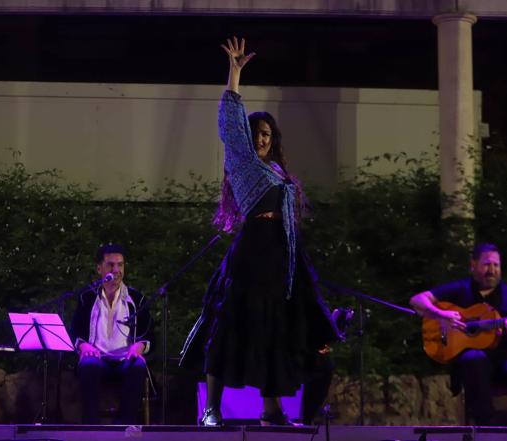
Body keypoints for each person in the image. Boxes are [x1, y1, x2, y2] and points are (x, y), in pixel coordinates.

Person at [179, 37, 340, 427]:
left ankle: (272, 411)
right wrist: (235, 73)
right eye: (257, 133)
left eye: (268, 133)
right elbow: (231, 127)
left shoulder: (280, 174)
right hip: (252, 255)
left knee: (276, 329)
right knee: (231, 325)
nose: (262, 138)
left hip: (282, 258)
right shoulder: (245, 165)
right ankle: (211, 409)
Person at [409, 243, 507, 426]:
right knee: (474, 358)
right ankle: (485, 428)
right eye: (487, 265)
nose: (492, 270)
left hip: (506, 363)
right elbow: (417, 300)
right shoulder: (459, 289)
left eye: (496, 265)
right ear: (473, 265)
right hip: (473, 367)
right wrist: (441, 315)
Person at [70, 244, 152, 424]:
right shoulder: (86, 297)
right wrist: (83, 345)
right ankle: (90, 427)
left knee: (137, 366)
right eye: (111, 265)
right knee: (88, 364)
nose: (116, 270)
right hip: (97, 357)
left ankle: (124, 427)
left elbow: (149, 333)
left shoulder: (137, 299)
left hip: (125, 359)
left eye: (120, 265)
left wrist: (140, 346)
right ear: (100, 268)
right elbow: (75, 330)